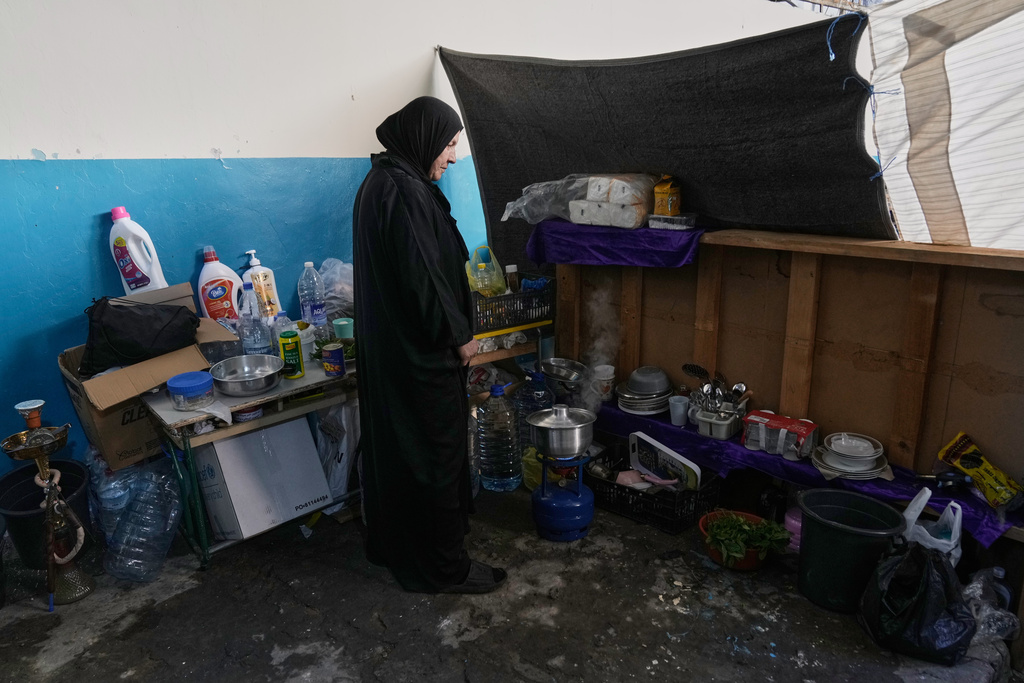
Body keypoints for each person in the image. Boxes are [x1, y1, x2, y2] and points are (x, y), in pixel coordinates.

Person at [352, 96, 507, 594]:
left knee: (397, 455)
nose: (454, 156)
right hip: (421, 358)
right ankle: (444, 568)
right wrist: (459, 338)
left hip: (396, 353)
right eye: (450, 144)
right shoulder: (401, 188)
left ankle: (396, 549)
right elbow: (423, 275)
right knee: (435, 458)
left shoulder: (385, 182)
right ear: (425, 138)